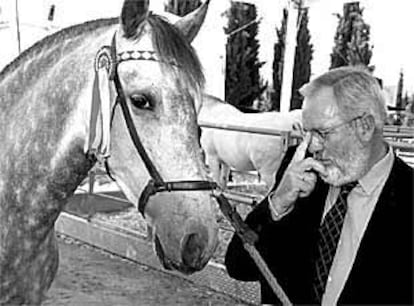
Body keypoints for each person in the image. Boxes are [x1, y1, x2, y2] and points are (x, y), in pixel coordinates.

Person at [225, 66, 413, 305]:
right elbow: (239, 266)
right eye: (307, 132)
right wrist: (279, 202)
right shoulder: (301, 169)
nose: (312, 146)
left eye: (323, 133)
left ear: (365, 127)